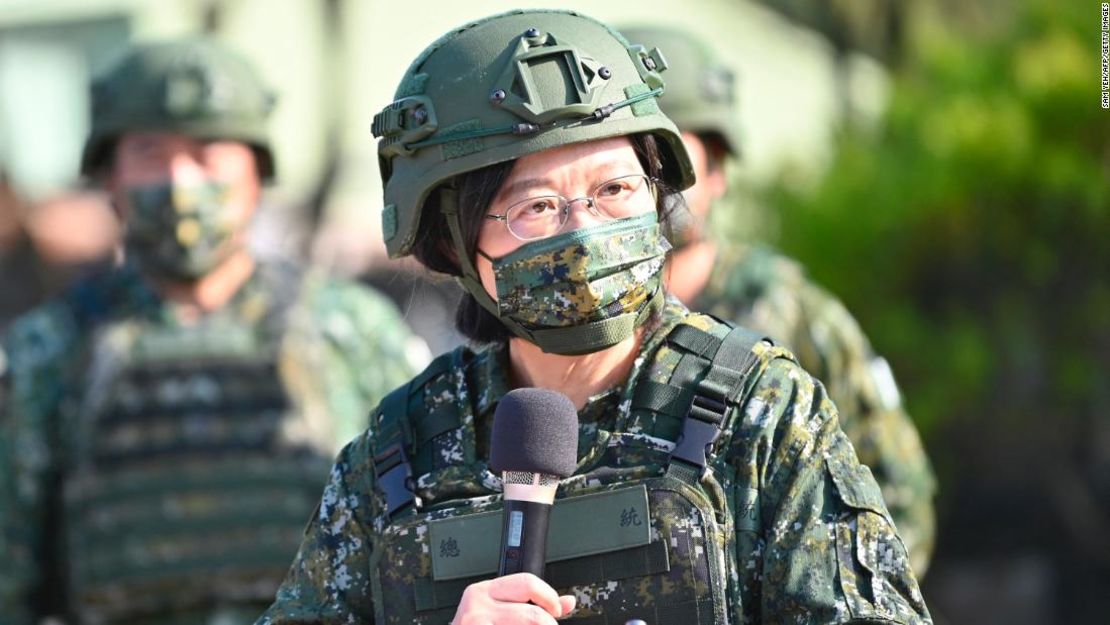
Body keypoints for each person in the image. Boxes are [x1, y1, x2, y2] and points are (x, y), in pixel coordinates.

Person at [258, 10, 932, 625]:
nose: (584, 234)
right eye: (537, 207)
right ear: (453, 243)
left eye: (614, 190)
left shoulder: (762, 413)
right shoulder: (399, 449)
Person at [0, 38, 426, 625]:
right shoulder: (48, 352)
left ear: (257, 170)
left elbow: (422, 537)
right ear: (109, 178)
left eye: (206, 152)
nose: (180, 180)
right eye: (151, 153)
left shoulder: (349, 330)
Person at [618, 25, 938, 577]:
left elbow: (899, 496)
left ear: (717, 170)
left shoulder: (792, 313)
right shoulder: (574, 336)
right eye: (631, 167)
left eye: (673, 163)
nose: (654, 189)